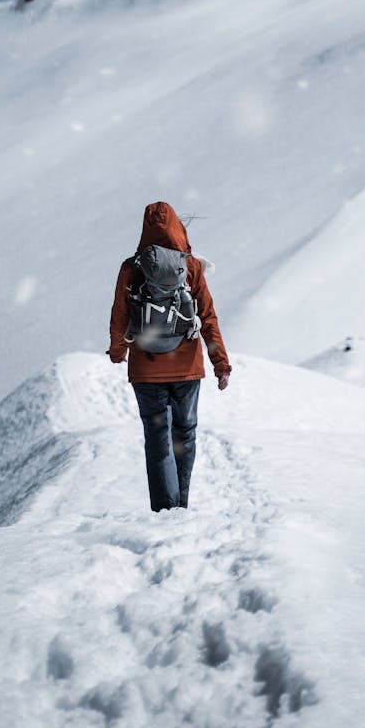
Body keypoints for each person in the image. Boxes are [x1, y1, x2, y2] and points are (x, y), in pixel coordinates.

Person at [108, 201, 231, 513]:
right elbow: (208, 317)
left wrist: (118, 350)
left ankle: (166, 510)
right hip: (187, 368)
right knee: (184, 435)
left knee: (157, 436)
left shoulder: (131, 267)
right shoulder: (189, 266)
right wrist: (221, 365)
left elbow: (119, 315)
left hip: (145, 370)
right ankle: (182, 506)